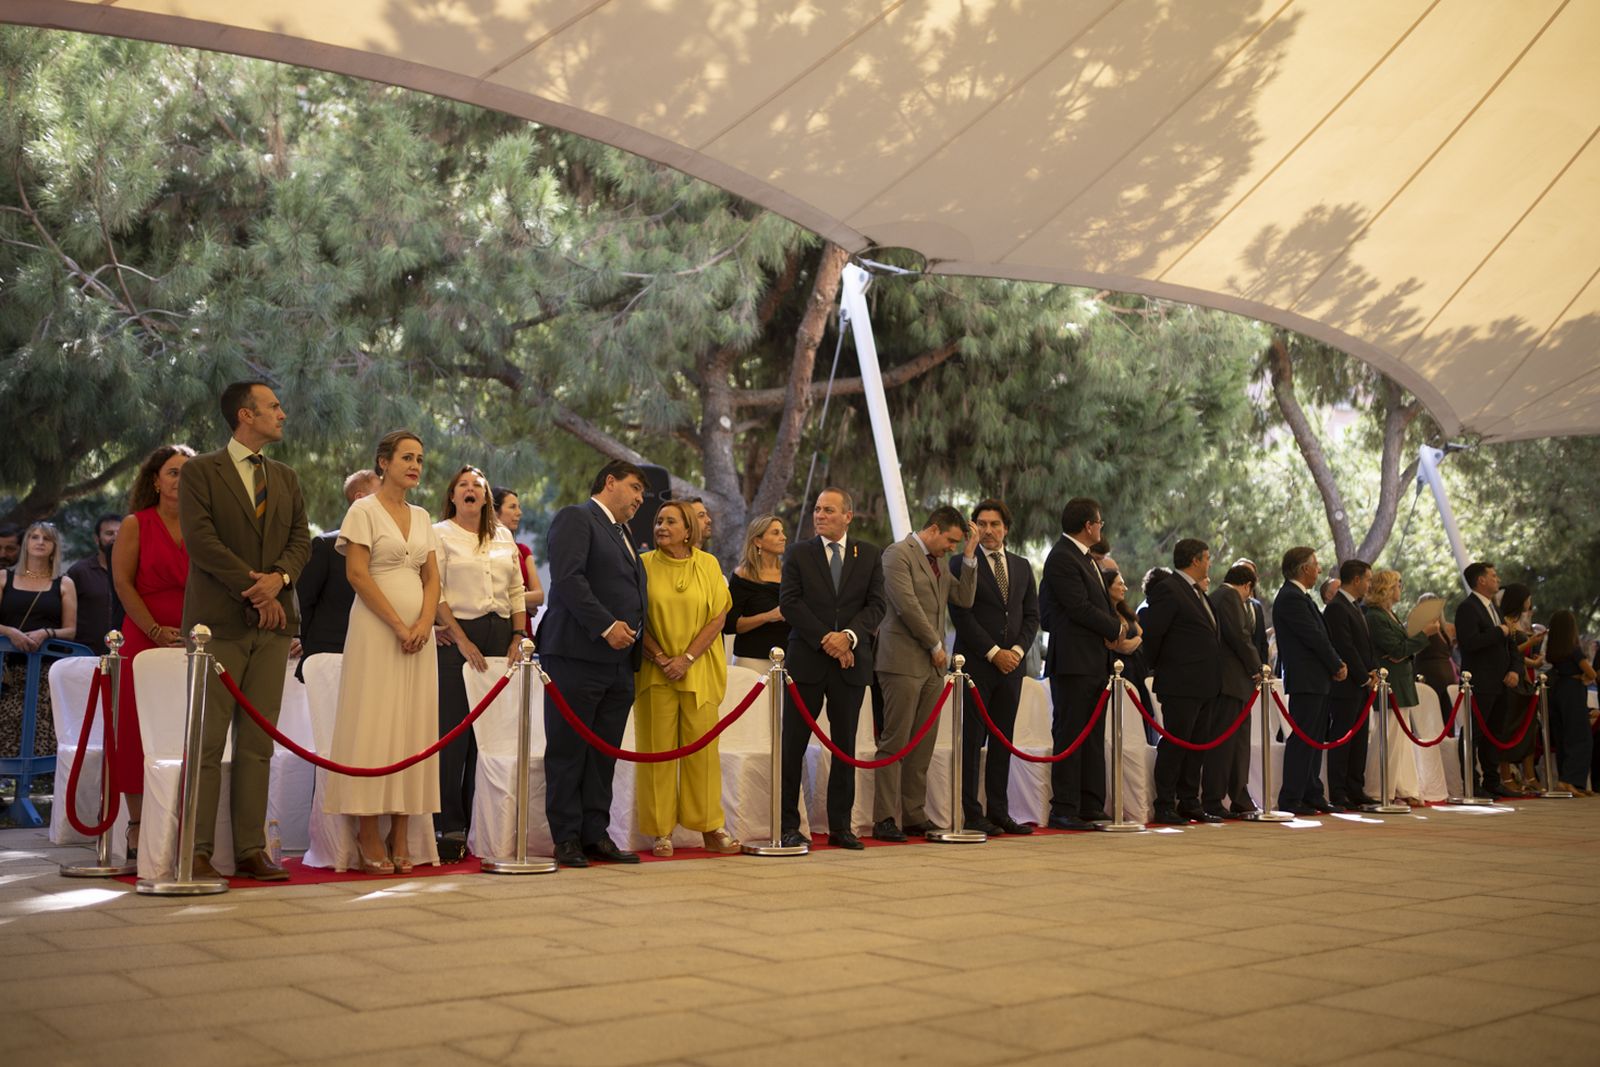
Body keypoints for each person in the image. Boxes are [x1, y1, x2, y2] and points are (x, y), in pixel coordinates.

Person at [179, 380, 309, 882]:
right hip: (219, 624)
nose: (282, 413)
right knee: (208, 743)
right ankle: (197, 849)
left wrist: (278, 582)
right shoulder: (199, 471)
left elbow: (301, 539)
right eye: (273, 406)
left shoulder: (286, 477)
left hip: (275, 628)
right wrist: (255, 589)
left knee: (258, 743)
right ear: (244, 414)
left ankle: (252, 849)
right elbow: (202, 541)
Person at [323, 431, 441, 874]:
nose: (414, 465)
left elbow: (432, 577)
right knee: (373, 724)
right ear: (383, 462)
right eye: (406, 457)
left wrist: (424, 623)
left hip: (419, 636)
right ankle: (367, 830)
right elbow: (357, 574)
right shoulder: (364, 509)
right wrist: (397, 624)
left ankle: (402, 831)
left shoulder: (423, 515)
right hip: (376, 630)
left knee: (412, 726)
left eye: (420, 459)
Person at [538, 460, 649, 868]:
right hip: (577, 654)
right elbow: (567, 580)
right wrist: (606, 626)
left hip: (619, 662)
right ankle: (566, 837)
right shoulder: (577, 518)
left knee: (604, 753)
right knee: (569, 750)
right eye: (635, 488)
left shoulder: (623, 534)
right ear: (610, 482)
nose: (640, 499)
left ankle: (594, 833)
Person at [777, 488, 886, 850]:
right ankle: (788, 825)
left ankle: (841, 826)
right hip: (807, 661)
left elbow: (876, 606)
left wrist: (850, 637)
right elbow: (790, 603)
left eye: (829, 510)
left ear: (848, 516)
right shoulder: (797, 553)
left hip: (851, 664)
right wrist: (828, 639)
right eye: (817, 509)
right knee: (793, 746)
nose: (820, 515)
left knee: (845, 748)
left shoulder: (869, 555)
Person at [432, 466, 526, 861]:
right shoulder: (439, 534)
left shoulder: (503, 535)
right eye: (463, 486)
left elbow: (517, 589)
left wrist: (519, 636)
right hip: (458, 637)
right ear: (453, 496)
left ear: (487, 498)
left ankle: (481, 824)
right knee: (454, 735)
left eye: (478, 487)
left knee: (488, 737)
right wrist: (460, 637)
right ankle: (449, 826)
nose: (471, 491)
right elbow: (434, 591)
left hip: (500, 636)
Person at [635, 500, 739, 856]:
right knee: (657, 752)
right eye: (658, 521)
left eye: (670, 522)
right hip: (655, 672)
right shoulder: (643, 565)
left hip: (699, 672)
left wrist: (687, 658)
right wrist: (663, 658)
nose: (661, 527)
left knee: (703, 753)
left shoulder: (708, 564)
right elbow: (636, 620)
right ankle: (660, 831)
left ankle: (709, 825)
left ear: (687, 530)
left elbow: (718, 618)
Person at [110, 444, 195, 860]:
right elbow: (123, 584)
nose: (181, 479)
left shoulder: (205, 528)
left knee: (186, 731)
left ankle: (186, 822)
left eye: (188, 472)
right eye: (173, 472)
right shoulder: (135, 524)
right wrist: (154, 629)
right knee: (136, 730)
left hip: (194, 640)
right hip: (144, 637)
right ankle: (137, 823)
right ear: (156, 480)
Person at [872, 506, 977, 840]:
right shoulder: (897, 554)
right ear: (933, 529)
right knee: (895, 741)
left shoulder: (941, 563)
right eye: (951, 541)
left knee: (922, 744)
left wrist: (971, 557)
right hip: (902, 660)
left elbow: (964, 598)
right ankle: (885, 817)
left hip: (933, 666)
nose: (952, 548)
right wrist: (935, 644)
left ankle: (914, 813)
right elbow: (906, 605)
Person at [1040, 498, 1136, 830]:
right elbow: (1078, 607)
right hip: (1073, 661)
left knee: (1093, 735)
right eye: (1100, 522)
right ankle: (1065, 807)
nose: (1101, 527)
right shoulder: (1063, 558)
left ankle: (1090, 802)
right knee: (1071, 733)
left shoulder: (1086, 559)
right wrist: (1115, 627)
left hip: (1093, 659)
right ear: (1088, 526)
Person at [949, 499, 1039, 836]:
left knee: (1003, 741)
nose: (988, 530)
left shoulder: (1021, 565)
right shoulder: (961, 562)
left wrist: (1015, 650)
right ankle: (972, 813)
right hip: (976, 666)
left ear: (1005, 528)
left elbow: (1031, 615)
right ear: (974, 527)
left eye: (995, 524)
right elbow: (961, 614)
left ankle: (999, 811)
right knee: (972, 741)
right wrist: (992, 652)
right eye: (982, 524)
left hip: (1012, 668)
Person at [1140, 538, 1224, 824]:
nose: (1209, 563)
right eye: (1207, 557)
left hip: (1205, 683)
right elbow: (1153, 634)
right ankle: (1165, 802)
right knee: (1175, 744)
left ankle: (1189, 800)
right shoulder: (1170, 589)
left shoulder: (1198, 592)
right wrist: (1161, 667)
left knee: (1197, 745)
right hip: (1180, 682)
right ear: (1195, 560)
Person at [1273, 546, 1348, 816]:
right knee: (1303, 739)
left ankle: (1311, 792)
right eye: (1315, 565)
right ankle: (1292, 797)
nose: (1319, 569)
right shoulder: (1291, 597)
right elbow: (1313, 636)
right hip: (1306, 678)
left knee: (1314, 739)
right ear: (1304, 568)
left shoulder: (1300, 596)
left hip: (1316, 678)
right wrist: (1336, 663)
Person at [0, 522, 78, 764]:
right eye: (34, 536)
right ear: (26, 544)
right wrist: (10, 632)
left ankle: (31, 787)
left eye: (47, 538)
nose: (40, 541)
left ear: (54, 547)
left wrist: (46, 632)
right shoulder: (4, 577)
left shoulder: (64, 583)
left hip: (44, 671)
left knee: (38, 729)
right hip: (6, 670)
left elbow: (71, 631)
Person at [1363, 569, 1442, 806]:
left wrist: (1407, 645)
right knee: (1389, 738)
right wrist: (1423, 635)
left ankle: (1403, 787)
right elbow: (1396, 649)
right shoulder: (1375, 616)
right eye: (1398, 584)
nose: (1401, 587)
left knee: (1401, 740)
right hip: (1390, 683)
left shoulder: (1389, 613)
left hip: (1400, 680)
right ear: (1386, 588)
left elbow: (1399, 649)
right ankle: (1380, 789)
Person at [296, 469, 379, 683]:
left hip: (375, 655)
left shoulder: (386, 549)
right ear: (361, 498)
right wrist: (297, 638)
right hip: (330, 657)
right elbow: (304, 599)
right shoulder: (326, 547)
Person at [1454, 562, 1521, 798]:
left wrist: (1514, 669)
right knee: (1474, 733)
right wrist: (1499, 632)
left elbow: (1510, 643)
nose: (1497, 578)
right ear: (1481, 580)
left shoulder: (1495, 608)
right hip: (1479, 681)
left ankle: (1493, 781)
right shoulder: (1467, 608)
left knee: (1495, 732)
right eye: (1493, 575)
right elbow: (1470, 642)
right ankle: (1472, 783)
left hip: (1502, 681)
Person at [1202, 564, 1263, 818]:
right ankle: (1215, 798)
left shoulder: (1216, 595)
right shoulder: (1228, 596)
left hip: (1231, 682)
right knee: (1226, 744)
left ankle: (1238, 796)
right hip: (1231, 681)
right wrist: (1257, 667)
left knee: (1235, 744)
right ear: (1247, 585)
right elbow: (1239, 635)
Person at [1324, 559, 1378, 809]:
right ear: (1356, 580)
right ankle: (1339, 791)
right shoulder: (1337, 607)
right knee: (1343, 739)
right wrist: (1364, 676)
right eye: (1367, 579)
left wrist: (1373, 670)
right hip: (1347, 686)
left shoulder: (1356, 607)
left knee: (1358, 740)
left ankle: (1356, 787)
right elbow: (1345, 646)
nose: (1369, 584)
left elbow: (1365, 644)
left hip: (1361, 684)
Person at [725, 513, 789, 673]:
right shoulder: (742, 575)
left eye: (782, 532)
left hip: (789, 658)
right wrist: (768, 616)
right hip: (751, 660)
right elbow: (730, 624)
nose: (784, 537)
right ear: (757, 541)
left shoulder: (791, 574)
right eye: (776, 533)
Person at [1543, 610, 1595, 794]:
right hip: (1573, 691)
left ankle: (1565, 780)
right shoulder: (1574, 650)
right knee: (1581, 738)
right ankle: (1572, 780)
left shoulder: (1554, 649)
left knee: (1563, 736)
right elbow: (1591, 672)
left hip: (1557, 690)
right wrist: (1587, 678)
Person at [492, 486, 545, 636]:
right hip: (498, 629)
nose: (519, 512)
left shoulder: (522, 550)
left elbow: (539, 596)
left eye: (519, 507)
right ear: (494, 511)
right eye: (512, 507)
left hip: (523, 630)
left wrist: (508, 599)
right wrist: (525, 601)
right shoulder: (482, 549)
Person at [66, 514, 123, 655]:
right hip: (85, 654)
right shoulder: (79, 572)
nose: (115, 537)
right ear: (97, 539)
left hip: (125, 654)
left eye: (120, 533)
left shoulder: (137, 573)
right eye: (109, 533)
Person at [1412, 591, 1458, 717]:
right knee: (1433, 717)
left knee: (1448, 716)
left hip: (1447, 678)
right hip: (1429, 677)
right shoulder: (1418, 628)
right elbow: (1413, 650)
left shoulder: (1444, 628)